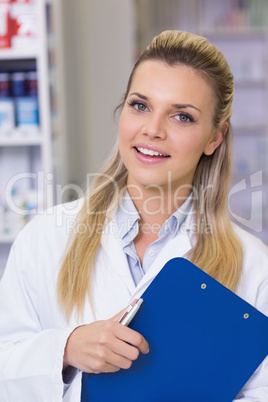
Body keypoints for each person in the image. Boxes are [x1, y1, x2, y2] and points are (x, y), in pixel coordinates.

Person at [0, 30, 268, 401]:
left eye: (182, 117)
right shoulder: (45, 238)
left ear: (214, 138)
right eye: (140, 105)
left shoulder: (254, 267)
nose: (152, 130)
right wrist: (66, 348)